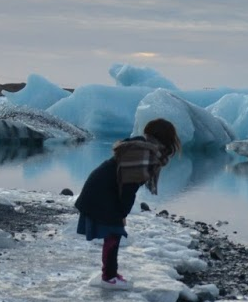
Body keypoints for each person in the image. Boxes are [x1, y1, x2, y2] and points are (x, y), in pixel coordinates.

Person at [74, 117, 181, 289]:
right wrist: (122, 213)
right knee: (114, 232)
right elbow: (129, 187)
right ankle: (108, 277)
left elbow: (127, 184)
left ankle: (110, 273)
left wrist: (121, 212)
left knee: (113, 233)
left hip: (102, 187)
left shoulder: (143, 149)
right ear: (165, 138)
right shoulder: (143, 153)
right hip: (102, 191)